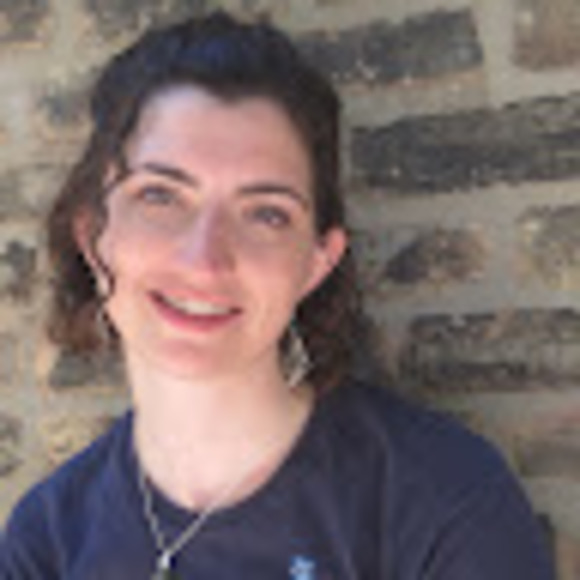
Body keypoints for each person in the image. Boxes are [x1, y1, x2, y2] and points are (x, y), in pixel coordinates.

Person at [0, 10, 554, 580]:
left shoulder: (441, 499)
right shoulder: (46, 540)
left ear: (317, 261)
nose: (204, 261)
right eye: (160, 196)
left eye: (266, 214)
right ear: (93, 236)